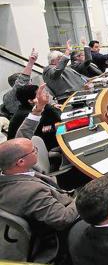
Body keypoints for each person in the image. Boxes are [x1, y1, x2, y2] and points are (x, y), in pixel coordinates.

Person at [0, 86, 78, 258]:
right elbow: (63, 218)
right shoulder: (30, 193)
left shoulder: (11, 168)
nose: (36, 149)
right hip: (63, 225)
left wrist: (39, 108)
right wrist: (82, 197)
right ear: (21, 162)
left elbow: (23, 135)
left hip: (53, 197)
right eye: (33, 150)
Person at [7, 85, 61, 149]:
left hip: (43, 139)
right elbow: (58, 119)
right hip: (30, 150)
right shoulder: (26, 115)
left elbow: (57, 119)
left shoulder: (31, 107)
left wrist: (46, 104)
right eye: (40, 95)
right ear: (30, 101)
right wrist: (45, 104)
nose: (44, 95)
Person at [2, 48, 38, 117]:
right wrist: (31, 62)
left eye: (30, 81)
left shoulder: (31, 93)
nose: (31, 85)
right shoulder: (8, 97)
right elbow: (22, 81)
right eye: (28, 83)